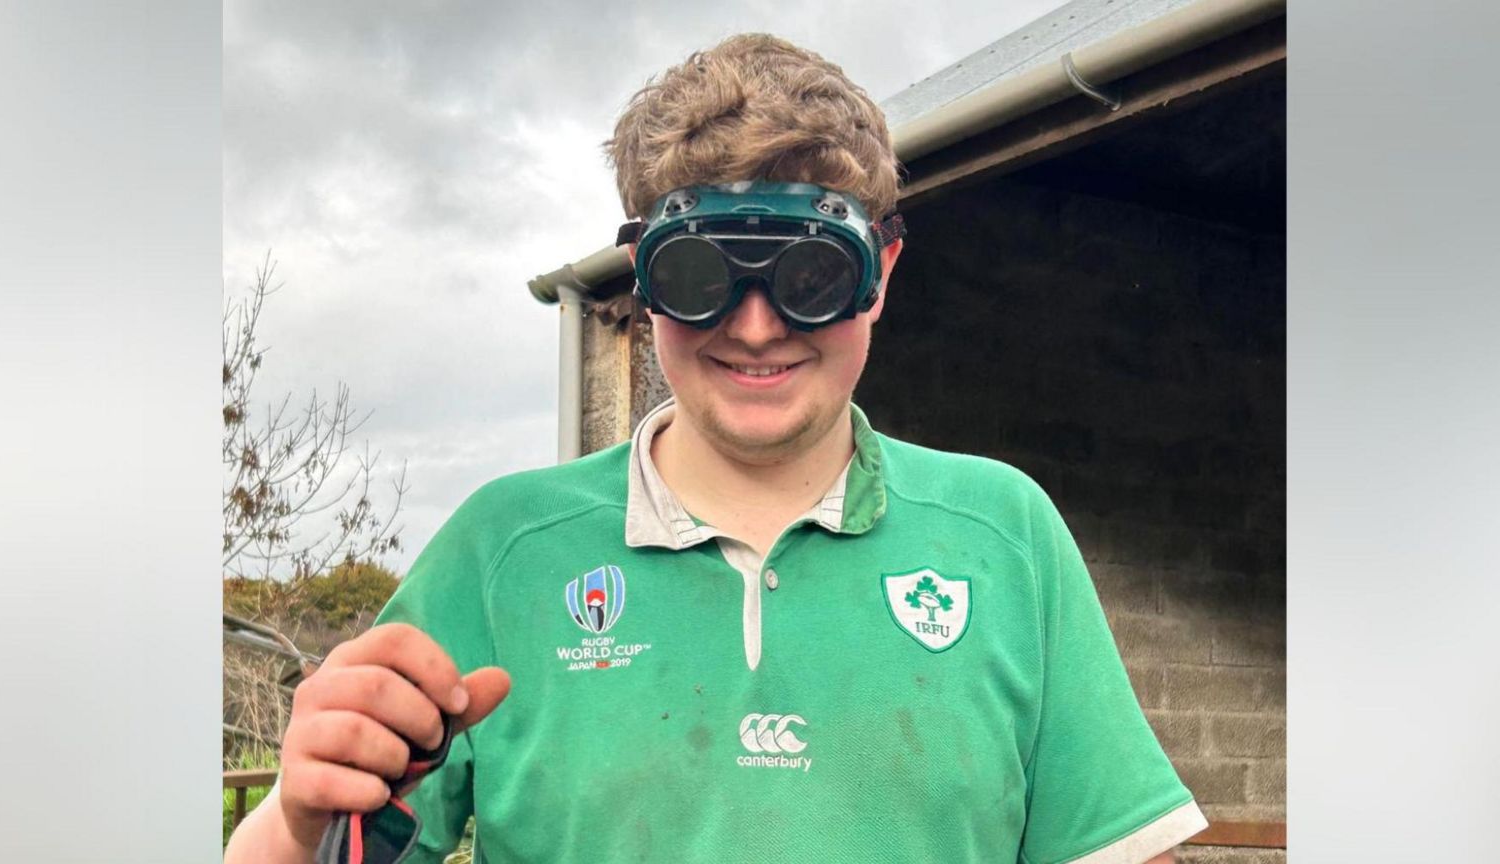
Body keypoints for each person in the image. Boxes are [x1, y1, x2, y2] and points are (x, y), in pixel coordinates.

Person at [226, 33, 1206, 864]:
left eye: (811, 272)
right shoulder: (505, 550)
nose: (753, 325)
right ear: (643, 279)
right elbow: (326, 838)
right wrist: (298, 811)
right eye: (698, 271)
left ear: (882, 272)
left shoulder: (1003, 536)